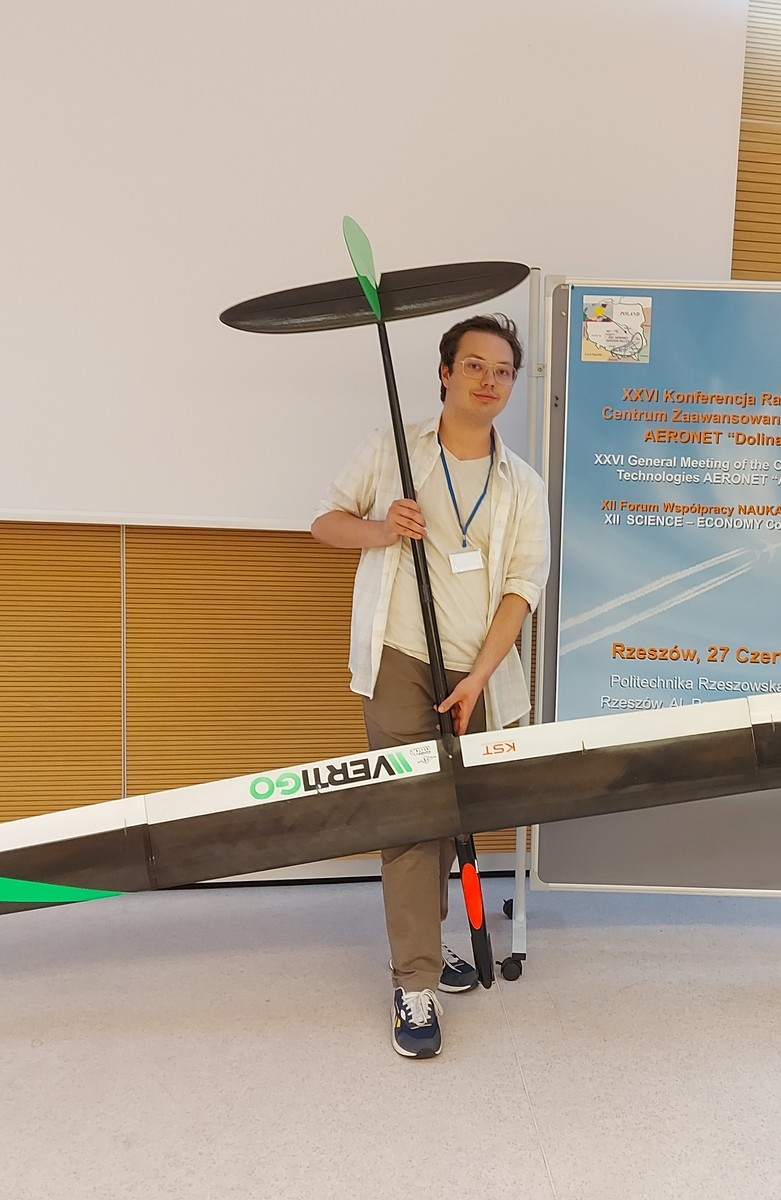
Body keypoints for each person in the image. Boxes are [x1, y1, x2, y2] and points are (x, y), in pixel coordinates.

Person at [310, 313, 550, 1059]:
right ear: (445, 373)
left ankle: (425, 937)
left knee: (448, 816)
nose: (489, 381)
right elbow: (325, 523)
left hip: (477, 670)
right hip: (399, 658)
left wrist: (479, 675)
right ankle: (414, 978)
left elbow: (522, 588)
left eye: (503, 371)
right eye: (474, 365)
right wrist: (383, 529)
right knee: (411, 815)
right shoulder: (395, 449)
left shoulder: (523, 483)